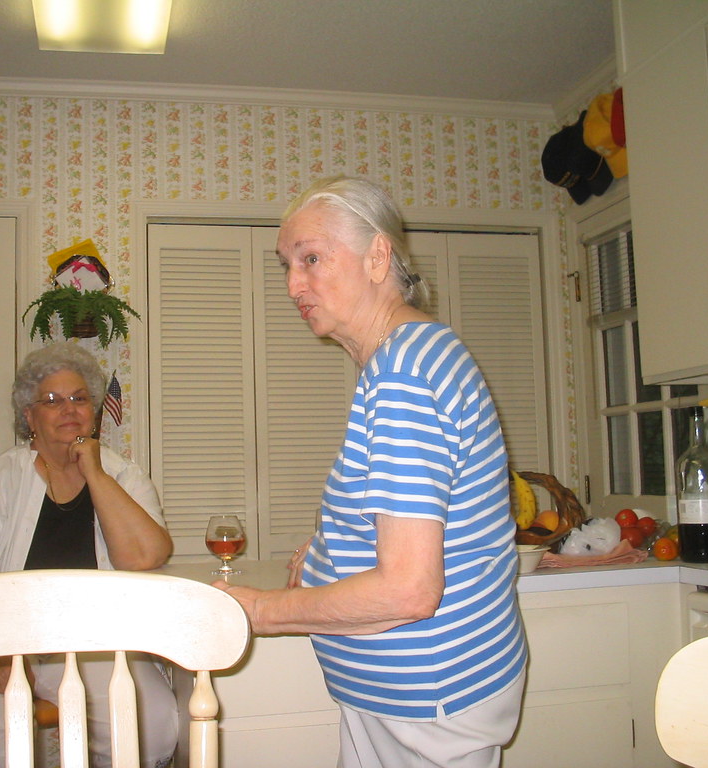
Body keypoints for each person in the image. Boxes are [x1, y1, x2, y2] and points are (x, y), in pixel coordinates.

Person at [214, 176, 528, 768]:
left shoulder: (403, 372)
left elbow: (408, 589)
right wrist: (330, 549)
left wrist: (257, 610)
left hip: (427, 699)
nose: (293, 284)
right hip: (413, 696)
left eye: (311, 258)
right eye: (286, 265)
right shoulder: (412, 357)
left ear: (378, 256)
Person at [0, 341, 178, 768]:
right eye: (52, 400)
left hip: (93, 642)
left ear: (94, 412)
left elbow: (145, 557)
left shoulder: (123, 475)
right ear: (29, 416)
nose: (68, 409)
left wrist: (94, 472)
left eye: (79, 398)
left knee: (151, 724)